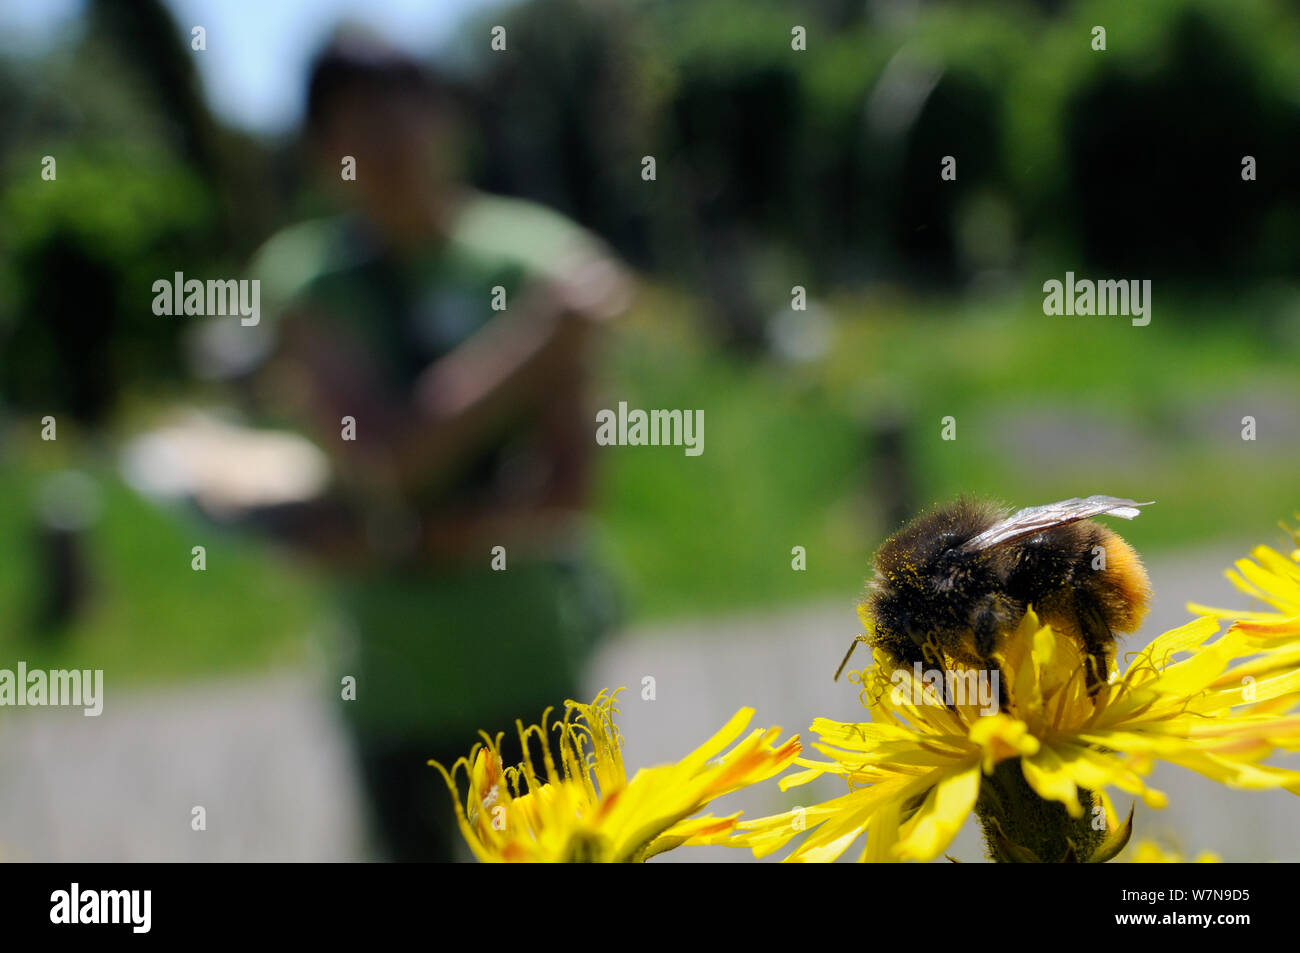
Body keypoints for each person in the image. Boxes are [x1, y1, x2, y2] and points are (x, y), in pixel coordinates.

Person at [243, 29, 630, 860]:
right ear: (321, 152)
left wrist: (398, 537)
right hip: (390, 686)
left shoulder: (539, 250)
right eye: (357, 126)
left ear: (445, 118)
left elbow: (572, 489)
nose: (388, 145)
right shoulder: (304, 279)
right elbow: (377, 457)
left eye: (403, 115)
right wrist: (535, 345)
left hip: (534, 668)